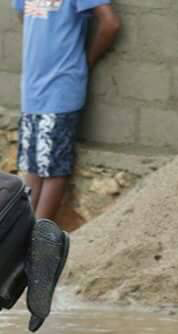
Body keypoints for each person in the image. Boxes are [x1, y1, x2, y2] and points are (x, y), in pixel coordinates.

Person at [15, 0, 120, 222]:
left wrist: (85, 61)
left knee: (53, 170)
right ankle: (22, 232)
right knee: (33, 168)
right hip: (32, 89)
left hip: (60, 86)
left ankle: (38, 239)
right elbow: (22, 15)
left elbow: (110, 24)